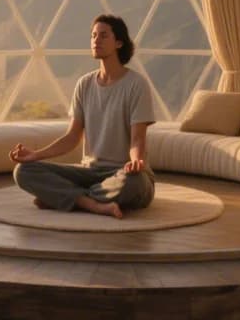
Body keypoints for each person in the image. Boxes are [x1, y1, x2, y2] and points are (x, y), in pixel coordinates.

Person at [11, 14, 155, 219]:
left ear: (119, 43)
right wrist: (35, 155)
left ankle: (65, 197)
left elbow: (138, 139)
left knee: (136, 182)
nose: (96, 40)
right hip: (88, 173)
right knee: (23, 172)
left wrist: (136, 162)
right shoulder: (84, 84)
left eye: (103, 35)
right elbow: (72, 138)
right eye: (93, 35)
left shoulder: (136, 85)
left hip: (122, 174)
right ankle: (93, 204)